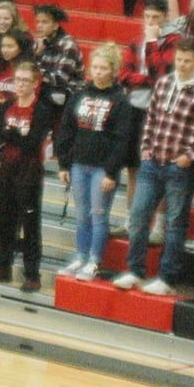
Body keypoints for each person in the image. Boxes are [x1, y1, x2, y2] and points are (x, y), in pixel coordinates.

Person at [116, 37, 194, 295]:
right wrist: (145, 147)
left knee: (175, 222)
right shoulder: (163, 83)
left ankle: (167, 277)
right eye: (179, 59)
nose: (181, 64)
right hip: (153, 161)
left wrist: (189, 155)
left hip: (180, 167)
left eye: (187, 61)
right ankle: (135, 271)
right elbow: (151, 117)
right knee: (139, 215)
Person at [55, 45, 137, 280]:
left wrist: (112, 172)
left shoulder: (120, 101)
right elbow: (67, 129)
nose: (98, 72)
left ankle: (94, 261)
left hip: (103, 168)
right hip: (79, 164)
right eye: (95, 67)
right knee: (82, 215)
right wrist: (63, 163)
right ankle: (80, 256)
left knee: (98, 215)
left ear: (114, 71)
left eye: (104, 68)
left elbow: (122, 141)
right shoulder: (81, 95)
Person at [0, 61, 47, 291]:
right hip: (7, 170)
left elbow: (32, 143)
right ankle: (2, 268)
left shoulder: (41, 109)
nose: (19, 84)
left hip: (29, 172)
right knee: (4, 221)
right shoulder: (7, 105)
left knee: (30, 224)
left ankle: (32, 274)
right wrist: (17, 134)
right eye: (16, 80)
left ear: (35, 83)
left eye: (25, 80)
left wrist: (13, 135)